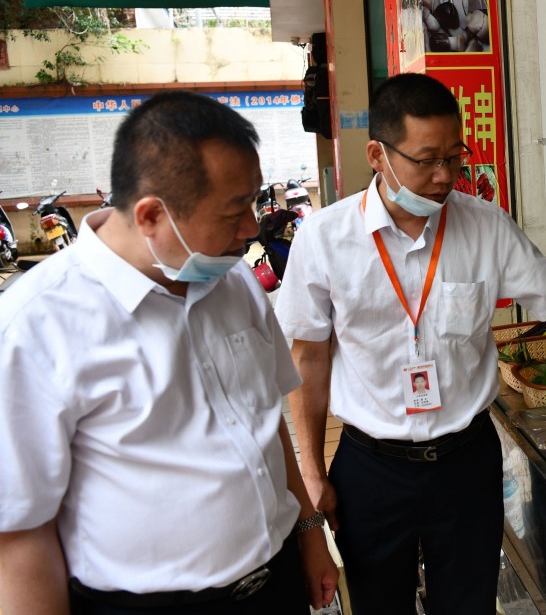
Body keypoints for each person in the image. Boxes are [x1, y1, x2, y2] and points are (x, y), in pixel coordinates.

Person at [275, 72, 546, 614]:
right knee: (378, 605)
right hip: (372, 467)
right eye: (426, 160)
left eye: (454, 157)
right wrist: (311, 470)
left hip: (465, 461)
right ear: (378, 154)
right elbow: (310, 358)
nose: (444, 176)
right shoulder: (324, 238)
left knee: (467, 605)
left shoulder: (484, 225)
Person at [0, 91, 339, 615]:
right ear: (152, 215)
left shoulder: (234, 282)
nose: (251, 228)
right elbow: (20, 535)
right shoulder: (36, 326)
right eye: (233, 211)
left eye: (252, 200)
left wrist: (309, 533)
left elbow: (266, 420)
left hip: (274, 584)